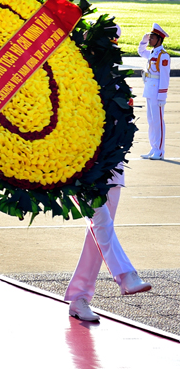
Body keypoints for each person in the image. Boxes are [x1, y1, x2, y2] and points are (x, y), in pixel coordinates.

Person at [64, 25, 152, 322]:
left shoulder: (116, 83)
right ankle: (125, 275)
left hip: (112, 168)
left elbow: (124, 122)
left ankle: (79, 299)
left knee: (99, 234)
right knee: (100, 223)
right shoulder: (74, 80)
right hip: (81, 169)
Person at [138, 23, 170, 160]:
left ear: (159, 39)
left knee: (158, 121)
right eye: (150, 37)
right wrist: (144, 40)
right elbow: (140, 51)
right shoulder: (153, 53)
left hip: (157, 91)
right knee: (151, 121)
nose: (150, 40)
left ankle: (160, 151)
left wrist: (162, 96)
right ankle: (154, 147)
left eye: (152, 38)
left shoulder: (163, 56)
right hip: (149, 89)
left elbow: (164, 77)